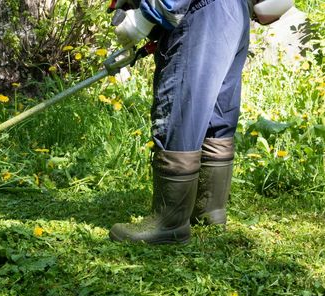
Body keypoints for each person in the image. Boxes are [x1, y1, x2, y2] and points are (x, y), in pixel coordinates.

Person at [107, 0, 252, 244]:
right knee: (216, 112)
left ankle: (169, 223)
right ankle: (210, 210)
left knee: (180, 112)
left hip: (201, 15)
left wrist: (145, 16)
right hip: (235, 12)